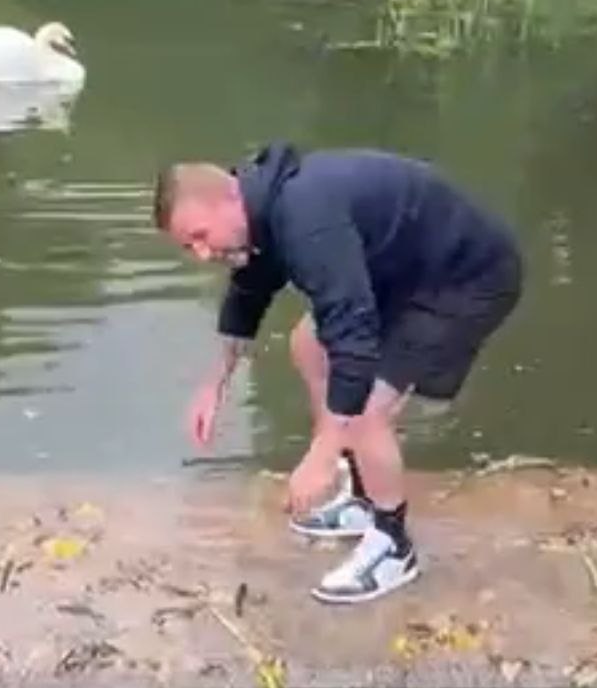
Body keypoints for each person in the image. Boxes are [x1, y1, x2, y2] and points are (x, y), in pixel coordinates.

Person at [151, 141, 523, 604]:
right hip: (401, 272)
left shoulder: (307, 221)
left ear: (228, 196)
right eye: (191, 247)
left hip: (464, 278)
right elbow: (248, 294)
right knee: (308, 345)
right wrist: (215, 382)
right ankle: (363, 498)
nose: (203, 254)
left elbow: (353, 338)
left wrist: (321, 455)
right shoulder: (260, 209)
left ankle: (393, 546)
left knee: (365, 409)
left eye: (201, 236)